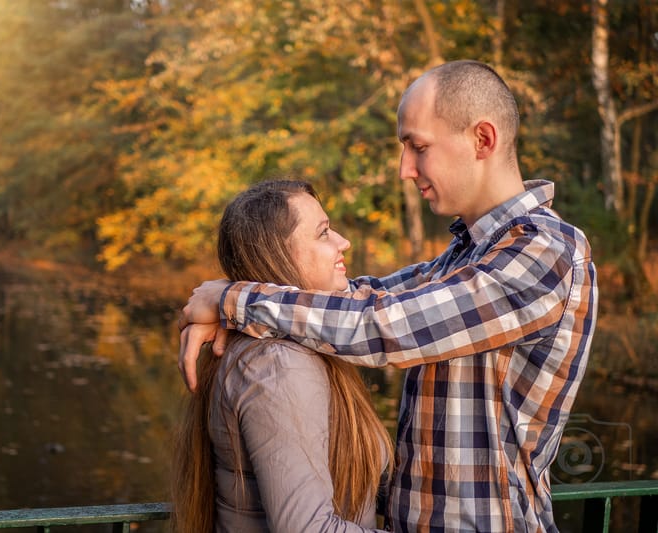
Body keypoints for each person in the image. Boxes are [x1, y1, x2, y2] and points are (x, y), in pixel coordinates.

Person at [177, 60, 598, 532]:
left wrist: (233, 299)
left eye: (418, 147)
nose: (405, 169)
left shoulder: (545, 252)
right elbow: (358, 297)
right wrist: (227, 301)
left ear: (483, 139)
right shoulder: (459, 260)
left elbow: (385, 325)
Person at [171, 179, 394, 532]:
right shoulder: (278, 364)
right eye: (323, 233)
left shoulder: (305, 345)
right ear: (278, 256)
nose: (342, 242)